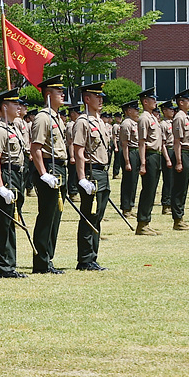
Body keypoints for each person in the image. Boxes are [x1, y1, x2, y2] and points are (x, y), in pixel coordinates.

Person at [28, 76, 70, 274]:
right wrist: (43, 173)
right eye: (58, 91)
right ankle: (42, 261)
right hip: (49, 168)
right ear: (47, 94)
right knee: (47, 215)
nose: (62, 94)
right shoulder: (43, 117)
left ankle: (48, 258)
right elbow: (35, 148)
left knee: (56, 215)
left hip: (59, 168)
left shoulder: (56, 117)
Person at [72, 82, 113, 271]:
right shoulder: (83, 122)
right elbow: (79, 151)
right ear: (87, 99)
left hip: (102, 172)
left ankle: (93, 256)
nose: (101, 99)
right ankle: (85, 259)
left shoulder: (99, 122)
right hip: (91, 172)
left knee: (97, 217)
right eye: (97, 96)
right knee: (89, 216)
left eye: (101, 96)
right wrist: (81, 178)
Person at [0, 89, 26, 278]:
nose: (18, 107)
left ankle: (9, 262)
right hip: (6, 175)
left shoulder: (12, 127)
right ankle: (2, 266)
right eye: (13, 103)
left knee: (10, 220)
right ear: (1, 107)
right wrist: (0, 186)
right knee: (4, 221)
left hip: (16, 175)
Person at [136, 89, 166, 235]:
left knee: (153, 190)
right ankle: (142, 223)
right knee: (147, 190)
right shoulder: (144, 118)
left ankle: (147, 221)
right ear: (145, 102)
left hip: (157, 155)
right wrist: (142, 163)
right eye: (152, 99)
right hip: (149, 156)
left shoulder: (153, 118)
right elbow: (141, 142)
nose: (155, 102)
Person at [169, 91, 189, 230]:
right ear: (181, 102)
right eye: (188, 100)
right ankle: (177, 219)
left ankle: (180, 217)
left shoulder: (186, 117)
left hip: (188, 153)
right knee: (179, 187)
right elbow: (177, 141)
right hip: (182, 153)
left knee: (184, 186)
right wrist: (179, 161)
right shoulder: (179, 117)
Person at [116, 100, 141, 217]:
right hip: (129, 152)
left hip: (136, 152)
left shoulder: (134, 123)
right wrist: (127, 162)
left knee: (134, 181)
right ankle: (126, 208)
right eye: (135, 110)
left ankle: (130, 206)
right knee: (128, 181)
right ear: (128, 111)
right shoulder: (126, 124)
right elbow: (124, 144)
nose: (137, 112)